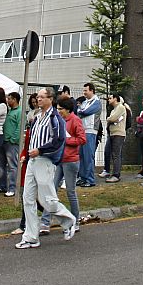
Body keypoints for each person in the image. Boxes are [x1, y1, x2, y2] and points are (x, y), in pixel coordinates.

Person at [16, 88, 77, 248]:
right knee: (28, 198)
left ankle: (69, 221)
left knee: (47, 199)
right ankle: (31, 236)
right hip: (33, 160)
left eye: (42, 97)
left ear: (51, 99)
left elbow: (59, 140)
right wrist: (27, 154)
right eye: (38, 97)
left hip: (45, 161)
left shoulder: (55, 118)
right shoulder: (37, 117)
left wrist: (40, 150)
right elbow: (32, 138)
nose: (39, 99)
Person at [42, 96, 84, 230]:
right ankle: (45, 222)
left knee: (70, 192)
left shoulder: (75, 120)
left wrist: (66, 140)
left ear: (67, 109)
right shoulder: (59, 120)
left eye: (60, 109)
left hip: (71, 161)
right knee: (51, 190)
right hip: (59, 159)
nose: (58, 111)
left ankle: (75, 221)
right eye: (57, 108)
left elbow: (82, 139)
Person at [75, 83, 101, 186]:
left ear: (92, 90)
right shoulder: (86, 102)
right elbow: (79, 112)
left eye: (86, 90)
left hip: (90, 131)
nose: (84, 92)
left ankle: (90, 180)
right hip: (83, 130)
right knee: (81, 155)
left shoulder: (96, 102)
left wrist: (81, 110)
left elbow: (85, 112)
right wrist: (81, 111)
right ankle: (83, 178)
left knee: (88, 156)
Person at [104, 93, 128, 182]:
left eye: (110, 98)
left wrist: (109, 119)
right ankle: (113, 173)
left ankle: (116, 175)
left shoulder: (120, 107)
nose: (109, 100)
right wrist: (110, 119)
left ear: (115, 99)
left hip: (118, 133)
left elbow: (112, 118)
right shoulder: (114, 109)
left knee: (116, 155)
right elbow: (112, 119)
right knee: (111, 153)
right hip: (112, 133)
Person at [2, 91, 22, 196]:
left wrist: (13, 139)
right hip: (5, 141)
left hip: (12, 143)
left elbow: (20, 127)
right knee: (2, 165)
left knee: (12, 165)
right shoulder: (10, 111)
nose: (7, 100)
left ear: (14, 99)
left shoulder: (19, 112)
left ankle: (12, 188)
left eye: (9, 99)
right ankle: (2, 186)